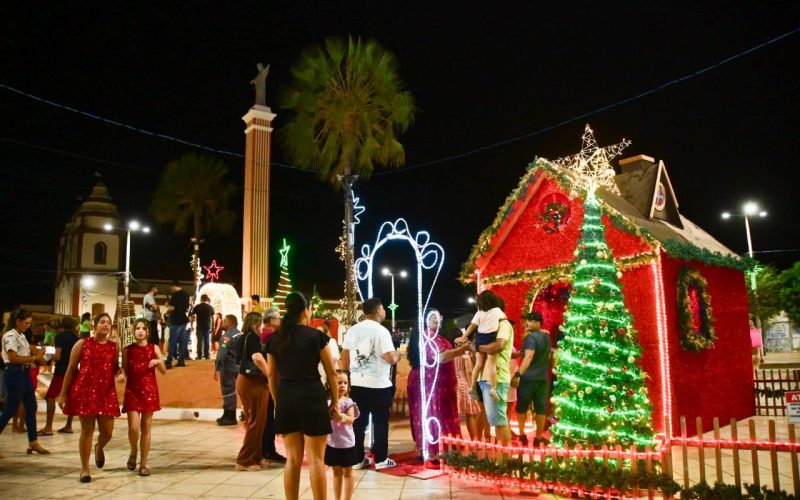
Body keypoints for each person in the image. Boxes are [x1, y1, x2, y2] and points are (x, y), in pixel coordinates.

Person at [266, 291, 339, 500]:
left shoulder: (275, 339)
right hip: (312, 398)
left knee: (293, 459)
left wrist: (279, 401)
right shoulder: (316, 337)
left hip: (287, 397)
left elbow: (272, 375)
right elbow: (332, 373)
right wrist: (334, 401)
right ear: (307, 310)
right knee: (316, 460)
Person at [59, 312, 125, 483]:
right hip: (85, 392)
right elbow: (71, 369)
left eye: (108, 323)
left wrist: (120, 373)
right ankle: (85, 469)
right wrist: (63, 394)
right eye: (102, 322)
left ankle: (99, 447)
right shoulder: (82, 343)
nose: (106, 325)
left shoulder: (113, 346)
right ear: (93, 326)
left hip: (106, 393)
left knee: (108, 432)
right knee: (86, 431)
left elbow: (116, 368)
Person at [341, 297, 400, 470]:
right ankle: (381, 459)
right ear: (378, 310)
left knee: (359, 422)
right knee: (381, 422)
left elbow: (344, 358)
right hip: (379, 385)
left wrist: (347, 378)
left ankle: (358, 459)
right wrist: (397, 356)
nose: (384, 312)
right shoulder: (381, 331)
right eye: (383, 308)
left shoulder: (353, 330)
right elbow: (390, 357)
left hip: (358, 384)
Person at [406, 310, 466, 465]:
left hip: (435, 384)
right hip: (430, 385)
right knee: (431, 415)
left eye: (438, 317)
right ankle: (431, 452)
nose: (437, 319)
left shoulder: (432, 335)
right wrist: (461, 350)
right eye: (432, 317)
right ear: (425, 320)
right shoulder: (428, 335)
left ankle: (430, 450)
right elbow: (440, 357)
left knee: (431, 415)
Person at [0, 309, 50, 456]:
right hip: (14, 372)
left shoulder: (21, 336)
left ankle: (33, 442)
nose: (28, 326)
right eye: (26, 323)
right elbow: (13, 357)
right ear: (18, 322)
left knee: (31, 406)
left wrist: (37, 353)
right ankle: (33, 441)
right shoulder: (10, 336)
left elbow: (28, 351)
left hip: (23, 373)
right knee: (10, 409)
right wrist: (34, 358)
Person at [122, 320, 166, 476]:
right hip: (132, 391)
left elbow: (164, 371)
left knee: (146, 428)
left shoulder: (154, 348)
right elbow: (125, 371)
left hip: (149, 392)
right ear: (133, 331)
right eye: (137, 328)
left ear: (148, 331)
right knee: (133, 428)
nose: (140, 331)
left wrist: (158, 361)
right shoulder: (127, 350)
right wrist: (123, 378)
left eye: (143, 328)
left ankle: (143, 463)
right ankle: (133, 450)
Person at [471, 302, 514, 458]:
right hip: (486, 378)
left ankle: (506, 459)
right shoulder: (492, 326)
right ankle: (502, 458)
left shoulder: (504, 325)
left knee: (500, 421)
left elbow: (498, 346)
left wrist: (477, 347)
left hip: (497, 377)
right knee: (496, 420)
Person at [234, 312, 269, 471]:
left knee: (257, 421)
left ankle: (256, 456)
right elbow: (257, 357)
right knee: (255, 421)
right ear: (256, 324)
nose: (264, 327)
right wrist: (270, 374)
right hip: (253, 382)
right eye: (262, 323)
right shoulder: (253, 337)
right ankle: (244, 460)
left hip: (246, 381)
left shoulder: (243, 337)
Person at [512, 312, 552, 446]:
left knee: (522, 407)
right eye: (527, 321)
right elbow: (548, 357)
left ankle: (522, 435)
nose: (527, 323)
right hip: (542, 378)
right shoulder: (547, 337)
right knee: (541, 409)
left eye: (530, 321)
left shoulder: (531, 338)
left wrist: (518, 374)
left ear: (538, 323)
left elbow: (528, 357)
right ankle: (538, 438)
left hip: (528, 379)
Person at [458, 290, 506, 401]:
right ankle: (493, 389)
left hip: (480, 338)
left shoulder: (479, 313)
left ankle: (472, 387)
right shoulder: (497, 310)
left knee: (478, 365)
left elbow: (472, 326)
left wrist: (463, 337)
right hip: (491, 338)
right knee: (492, 365)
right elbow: (504, 319)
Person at [38, 317, 79, 436]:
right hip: (74, 371)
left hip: (61, 371)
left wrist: (49, 358)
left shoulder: (60, 337)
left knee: (50, 397)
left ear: (61, 326)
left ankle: (48, 426)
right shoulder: (77, 338)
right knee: (70, 398)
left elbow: (58, 356)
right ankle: (68, 426)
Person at [447, 328, 490, 441]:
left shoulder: (449, 353)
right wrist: (473, 386)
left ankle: (455, 439)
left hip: (452, 384)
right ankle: (475, 441)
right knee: (471, 414)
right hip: (463, 384)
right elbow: (469, 371)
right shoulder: (464, 354)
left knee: (453, 415)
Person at [326, 370, 360, 500]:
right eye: (339, 382)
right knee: (336, 472)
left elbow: (351, 419)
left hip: (347, 444)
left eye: (345, 383)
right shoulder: (328, 403)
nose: (342, 385)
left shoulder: (348, 402)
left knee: (348, 472)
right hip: (332, 443)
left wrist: (341, 416)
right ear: (330, 385)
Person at [258, 306, 285, 464]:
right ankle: (268, 449)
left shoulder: (264, 334)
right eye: (279, 318)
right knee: (269, 416)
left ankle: (266, 448)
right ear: (273, 320)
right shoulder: (271, 336)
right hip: (270, 379)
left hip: (267, 379)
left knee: (267, 416)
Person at [215, 314, 242, 426]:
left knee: (228, 390)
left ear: (231, 323)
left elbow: (221, 354)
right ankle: (227, 415)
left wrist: (217, 368)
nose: (223, 323)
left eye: (225, 321)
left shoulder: (226, 337)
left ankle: (230, 416)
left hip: (228, 367)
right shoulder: (240, 334)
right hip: (239, 367)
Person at [165, 281, 190, 368]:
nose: (171, 289)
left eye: (171, 288)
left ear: (174, 286)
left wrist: (167, 305)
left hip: (176, 320)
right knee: (183, 341)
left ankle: (169, 360)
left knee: (172, 341)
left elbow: (172, 307)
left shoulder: (175, 295)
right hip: (184, 320)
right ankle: (181, 360)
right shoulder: (186, 294)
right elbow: (187, 308)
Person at [190, 294, 214, 360]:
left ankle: (199, 355)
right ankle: (207, 355)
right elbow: (212, 318)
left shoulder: (197, 306)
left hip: (199, 326)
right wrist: (213, 327)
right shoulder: (210, 307)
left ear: (201, 299)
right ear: (207, 299)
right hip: (207, 326)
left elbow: (192, 315)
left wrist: (191, 325)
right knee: (207, 341)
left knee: (199, 341)